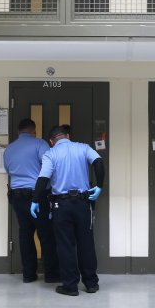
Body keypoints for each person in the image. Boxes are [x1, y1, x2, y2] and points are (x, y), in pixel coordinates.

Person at [31, 124, 105, 296]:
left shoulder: (51, 153)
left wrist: (35, 200)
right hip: (83, 203)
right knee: (86, 243)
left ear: (51, 141)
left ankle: (70, 286)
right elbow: (99, 162)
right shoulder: (83, 148)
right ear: (67, 136)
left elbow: (43, 178)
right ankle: (91, 283)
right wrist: (99, 186)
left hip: (61, 206)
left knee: (65, 245)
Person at [3, 118, 59, 284]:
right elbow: (50, 165)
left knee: (25, 234)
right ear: (34, 131)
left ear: (19, 132)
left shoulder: (9, 149)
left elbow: (8, 171)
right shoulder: (40, 144)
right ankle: (51, 274)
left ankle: (28, 274)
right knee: (46, 234)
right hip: (38, 196)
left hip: (17, 196)